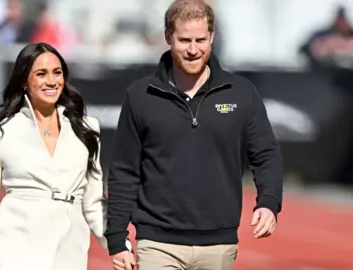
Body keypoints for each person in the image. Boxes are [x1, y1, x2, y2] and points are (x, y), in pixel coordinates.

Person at [105, 1, 284, 270]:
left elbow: (266, 155)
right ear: (168, 37)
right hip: (156, 244)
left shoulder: (241, 92)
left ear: (212, 37)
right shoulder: (140, 95)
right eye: (184, 40)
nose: (193, 49)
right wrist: (117, 237)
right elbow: (124, 170)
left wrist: (269, 202)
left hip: (219, 245)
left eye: (200, 40)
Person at [0, 43, 108, 270]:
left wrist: (120, 248)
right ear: (24, 81)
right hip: (12, 253)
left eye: (57, 72)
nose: (51, 81)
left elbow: (93, 204)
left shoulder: (87, 129)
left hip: (68, 253)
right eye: (41, 74)